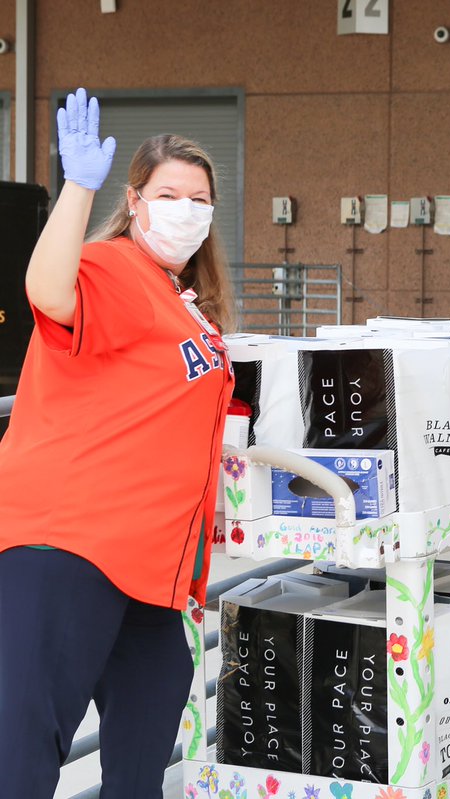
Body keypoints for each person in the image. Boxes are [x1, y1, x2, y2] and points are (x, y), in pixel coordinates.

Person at [0, 88, 234, 797]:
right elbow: (48, 290)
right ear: (135, 202)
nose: (186, 208)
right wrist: (76, 187)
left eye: (200, 198)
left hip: (147, 566)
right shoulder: (110, 267)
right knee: (24, 746)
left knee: (150, 718)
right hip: (70, 545)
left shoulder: (181, 301)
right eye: (170, 193)